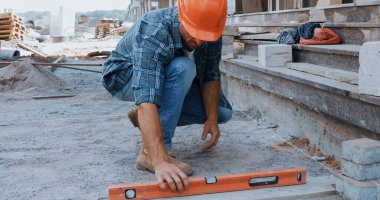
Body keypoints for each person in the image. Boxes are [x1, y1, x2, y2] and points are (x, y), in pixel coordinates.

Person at [102, 0, 232, 192]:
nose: (199, 42)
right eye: (195, 34)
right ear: (182, 16)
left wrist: (211, 118)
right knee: (183, 68)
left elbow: (211, 74)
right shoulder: (154, 30)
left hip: (163, 74)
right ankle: (150, 153)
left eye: (206, 36)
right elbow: (147, 94)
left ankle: (147, 120)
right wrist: (160, 160)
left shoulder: (209, 31)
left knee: (222, 112)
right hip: (123, 77)